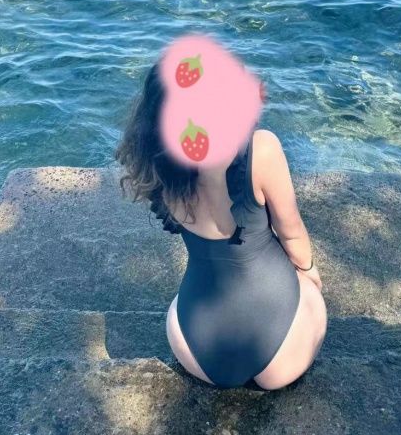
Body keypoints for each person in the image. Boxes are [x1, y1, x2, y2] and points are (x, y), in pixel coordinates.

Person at [115, 59, 328, 390]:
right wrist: (309, 272)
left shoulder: (160, 167)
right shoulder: (261, 150)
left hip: (194, 347)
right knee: (308, 290)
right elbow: (291, 233)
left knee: (179, 304)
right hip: (283, 357)